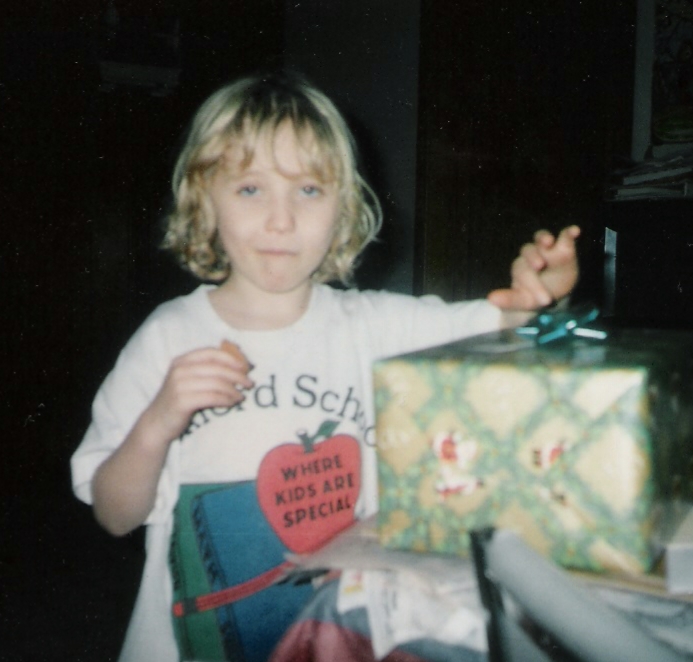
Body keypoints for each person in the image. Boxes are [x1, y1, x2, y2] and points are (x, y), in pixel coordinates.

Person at [70, 70, 581, 662]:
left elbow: (510, 328)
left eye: (308, 190)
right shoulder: (168, 338)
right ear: (203, 201)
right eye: (250, 190)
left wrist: (543, 298)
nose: (281, 220)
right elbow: (113, 515)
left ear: (343, 208)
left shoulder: (376, 325)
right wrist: (157, 422)